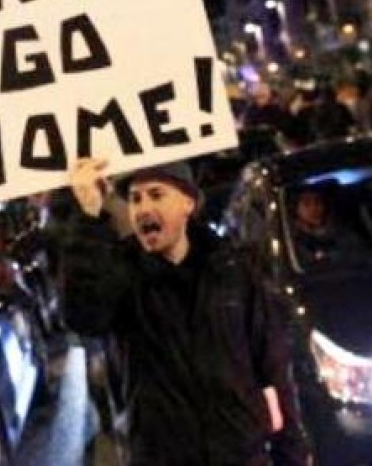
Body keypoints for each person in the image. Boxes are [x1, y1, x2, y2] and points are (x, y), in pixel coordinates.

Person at [64, 158, 294, 465]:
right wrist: (88, 220)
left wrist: (291, 450)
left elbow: (273, 364)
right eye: (134, 198)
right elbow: (84, 315)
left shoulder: (232, 270)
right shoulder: (124, 277)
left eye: (156, 194)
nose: (143, 208)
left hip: (241, 453)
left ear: (189, 202)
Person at [288, 187, 363, 268]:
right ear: (297, 210)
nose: (313, 209)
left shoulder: (344, 233)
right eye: (306, 204)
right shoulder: (293, 242)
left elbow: (359, 256)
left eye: (317, 202)